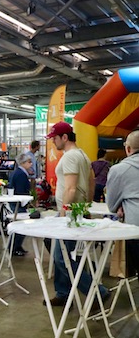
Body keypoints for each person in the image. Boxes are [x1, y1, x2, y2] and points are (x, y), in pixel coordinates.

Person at [45, 121, 109, 306]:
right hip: (75, 211)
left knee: (63, 258)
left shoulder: (71, 156)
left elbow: (71, 188)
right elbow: (91, 180)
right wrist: (86, 204)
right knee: (61, 250)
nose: (53, 142)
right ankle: (63, 292)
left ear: (64, 137)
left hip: (70, 213)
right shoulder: (81, 154)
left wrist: (65, 213)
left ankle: (97, 292)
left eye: (54, 138)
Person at [106, 129, 139, 278]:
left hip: (136, 230)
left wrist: (124, 203)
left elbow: (112, 205)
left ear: (128, 149)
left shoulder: (119, 170)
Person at [8, 152, 33, 256]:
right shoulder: (21, 174)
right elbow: (21, 190)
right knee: (20, 226)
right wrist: (26, 202)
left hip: (17, 202)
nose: (31, 164)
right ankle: (14, 247)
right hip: (19, 203)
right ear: (23, 163)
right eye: (29, 162)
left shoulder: (17, 172)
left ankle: (17, 246)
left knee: (20, 225)